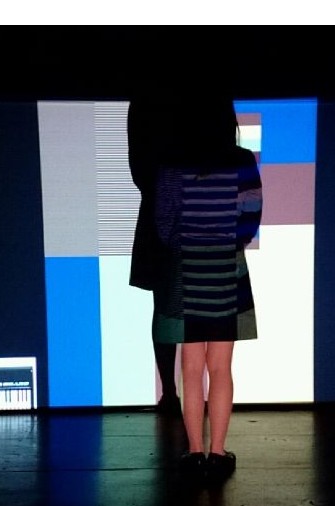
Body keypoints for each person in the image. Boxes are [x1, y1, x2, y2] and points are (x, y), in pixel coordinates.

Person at [137, 99, 264, 477]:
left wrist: (187, 246)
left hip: (184, 273)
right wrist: (227, 243)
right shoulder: (242, 160)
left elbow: (163, 223)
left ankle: (195, 454)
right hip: (226, 271)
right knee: (221, 368)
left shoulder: (171, 162)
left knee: (190, 368)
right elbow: (251, 216)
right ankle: (219, 454)